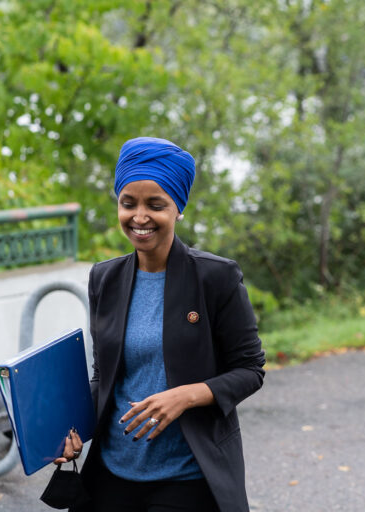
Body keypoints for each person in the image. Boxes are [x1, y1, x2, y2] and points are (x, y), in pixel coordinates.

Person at [54, 137, 266, 512]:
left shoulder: (216, 277)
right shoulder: (104, 278)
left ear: (178, 209)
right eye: (128, 203)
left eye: (155, 205)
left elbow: (250, 370)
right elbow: (104, 375)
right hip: (113, 473)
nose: (139, 217)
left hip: (188, 476)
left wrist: (185, 396)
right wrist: (72, 430)